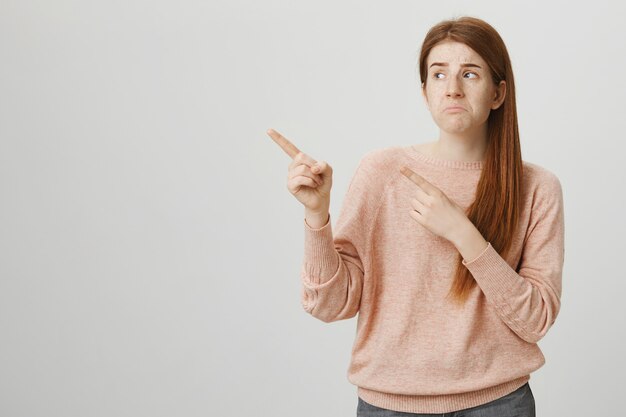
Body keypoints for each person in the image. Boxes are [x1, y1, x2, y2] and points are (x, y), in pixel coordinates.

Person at [267, 15, 564, 417]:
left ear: (498, 93)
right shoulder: (381, 172)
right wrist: (317, 214)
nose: (453, 88)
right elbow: (329, 305)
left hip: (498, 404)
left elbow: (536, 320)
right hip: (388, 405)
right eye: (438, 74)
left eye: (470, 74)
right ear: (425, 92)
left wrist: (465, 235)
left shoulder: (537, 188)